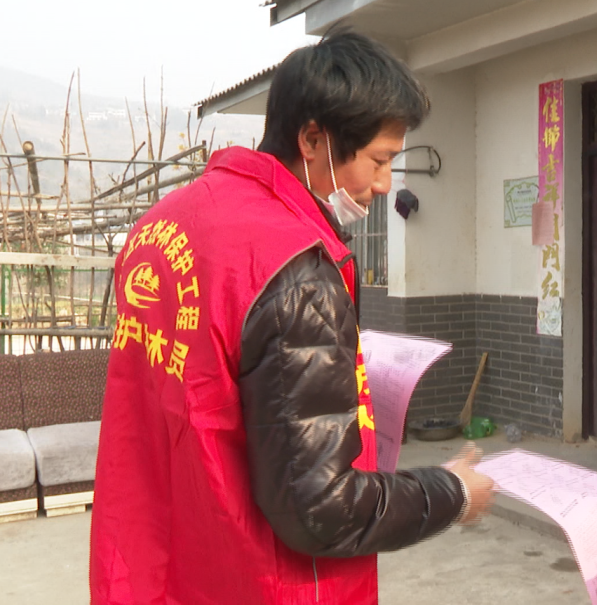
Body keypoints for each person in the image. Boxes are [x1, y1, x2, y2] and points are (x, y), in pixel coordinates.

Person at [90, 29, 493, 605]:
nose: (385, 184)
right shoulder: (294, 265)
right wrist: (452, 493)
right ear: (312, 139)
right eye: (379, 160)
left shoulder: (161, 224)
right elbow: (322, 508)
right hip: (258, 580)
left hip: (159, 564)